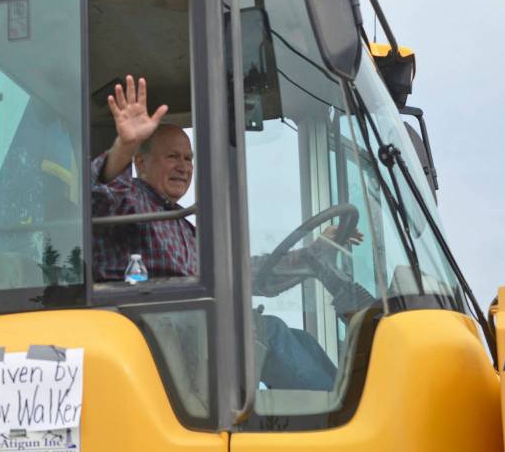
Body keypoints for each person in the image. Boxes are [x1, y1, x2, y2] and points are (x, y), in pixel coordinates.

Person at [91, 75, 357, 391]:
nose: (184, 167)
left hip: (191, 337)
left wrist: (313, 251)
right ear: (141, 161)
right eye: (172, 156)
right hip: (158, 338)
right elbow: (102, 191)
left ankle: (343, 398)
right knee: (268, 334)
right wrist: (124, 145)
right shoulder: (132, 202)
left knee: (294, 338)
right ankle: (338, 413)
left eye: (188, 159)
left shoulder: (184, 226)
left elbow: (246, 273)